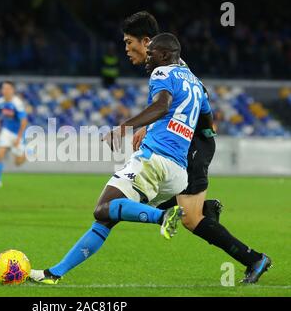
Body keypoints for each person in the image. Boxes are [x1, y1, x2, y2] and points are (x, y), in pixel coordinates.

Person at [30, 33, 206, 284]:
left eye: (152, 53)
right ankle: (54, 274)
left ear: (165, 56)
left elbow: (161, 105)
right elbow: (208, 124)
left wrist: (124, 127)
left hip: (154, 160)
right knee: (106, 218)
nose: (147, 58)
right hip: (178, 173)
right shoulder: (196, 83)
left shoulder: (162, 73)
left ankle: (164, 217)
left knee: (102, 208)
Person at [123, 11, 271, 284]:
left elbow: (194, 97)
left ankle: (255, 259)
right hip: (190, 141)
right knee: (151, 197)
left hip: (191, 144)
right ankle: (207, 209)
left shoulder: (164, 67)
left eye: (129, 42)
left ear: (146, 42)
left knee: (190, 219)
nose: (126, 50)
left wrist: (202, 131)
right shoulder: (173, 64)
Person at [0, 81, 28, 188]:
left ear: (12, 90)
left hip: (18, 132)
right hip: (6, 131)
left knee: (18, 162)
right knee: (0, 155)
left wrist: (19, 138)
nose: (5, 91)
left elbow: (24, 122)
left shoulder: (17, 103)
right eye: (3, 88)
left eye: (8, 88)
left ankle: (29, 153)